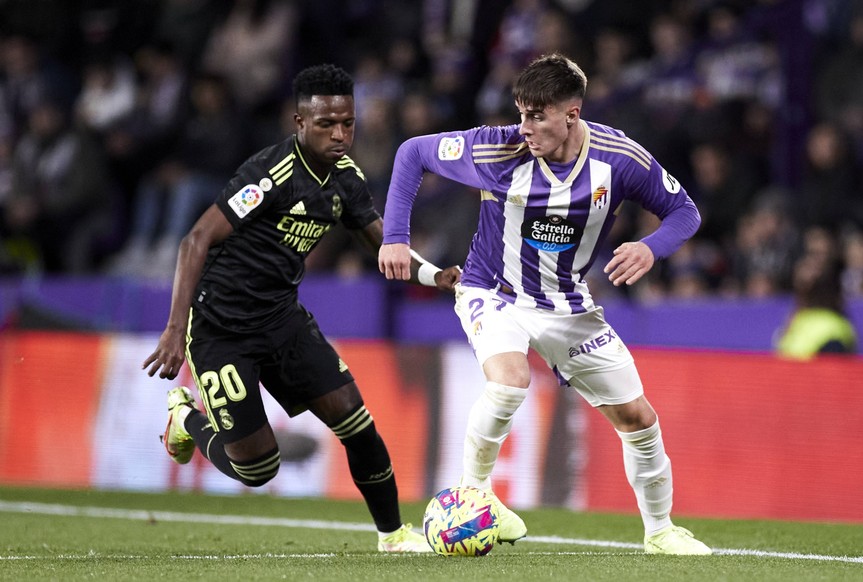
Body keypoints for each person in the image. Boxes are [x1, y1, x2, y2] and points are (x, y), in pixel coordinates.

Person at [379, 53, 712, 555]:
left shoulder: (618, 158)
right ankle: (478, 500)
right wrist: (396, 237)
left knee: (639, 418)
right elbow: (412, 153)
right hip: (493, 292)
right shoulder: (497, 148)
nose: (525, 126)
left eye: (537, 115)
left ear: (571, 114)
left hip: (568, 305)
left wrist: (651, 247)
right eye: (521, 113)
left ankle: (662, 532)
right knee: (510, 381)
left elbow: (684, 212)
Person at [142, 64, 460, 552]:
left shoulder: (347, 180)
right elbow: (196, 239)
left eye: (347, 123)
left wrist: (434, 275)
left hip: (282, 319)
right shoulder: (271, 174)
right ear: (299, 123)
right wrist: (173, 330)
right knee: (257, 468)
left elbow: (386, 245)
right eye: (326, 124)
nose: (339, 134)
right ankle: (187, 420)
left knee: (355, 419)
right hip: (220, 328)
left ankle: (393, 536)